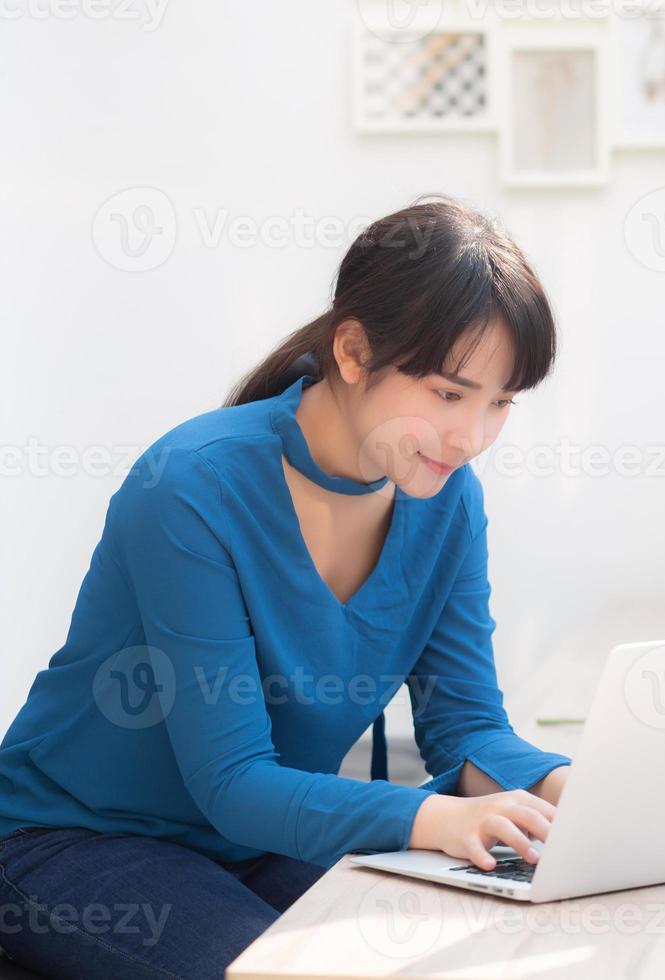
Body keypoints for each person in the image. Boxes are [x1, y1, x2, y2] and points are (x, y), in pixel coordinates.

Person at [0, 195, 572, 978]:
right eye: (447, 394)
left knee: (473, 952)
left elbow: (466, 728)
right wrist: (435, 816)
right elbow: (233, 783)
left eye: (500, 403)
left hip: (257, 842)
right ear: (352, 352)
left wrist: (559, 785)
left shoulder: (446, 498)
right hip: (75, 841)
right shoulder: (191, 488)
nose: (470, 437)